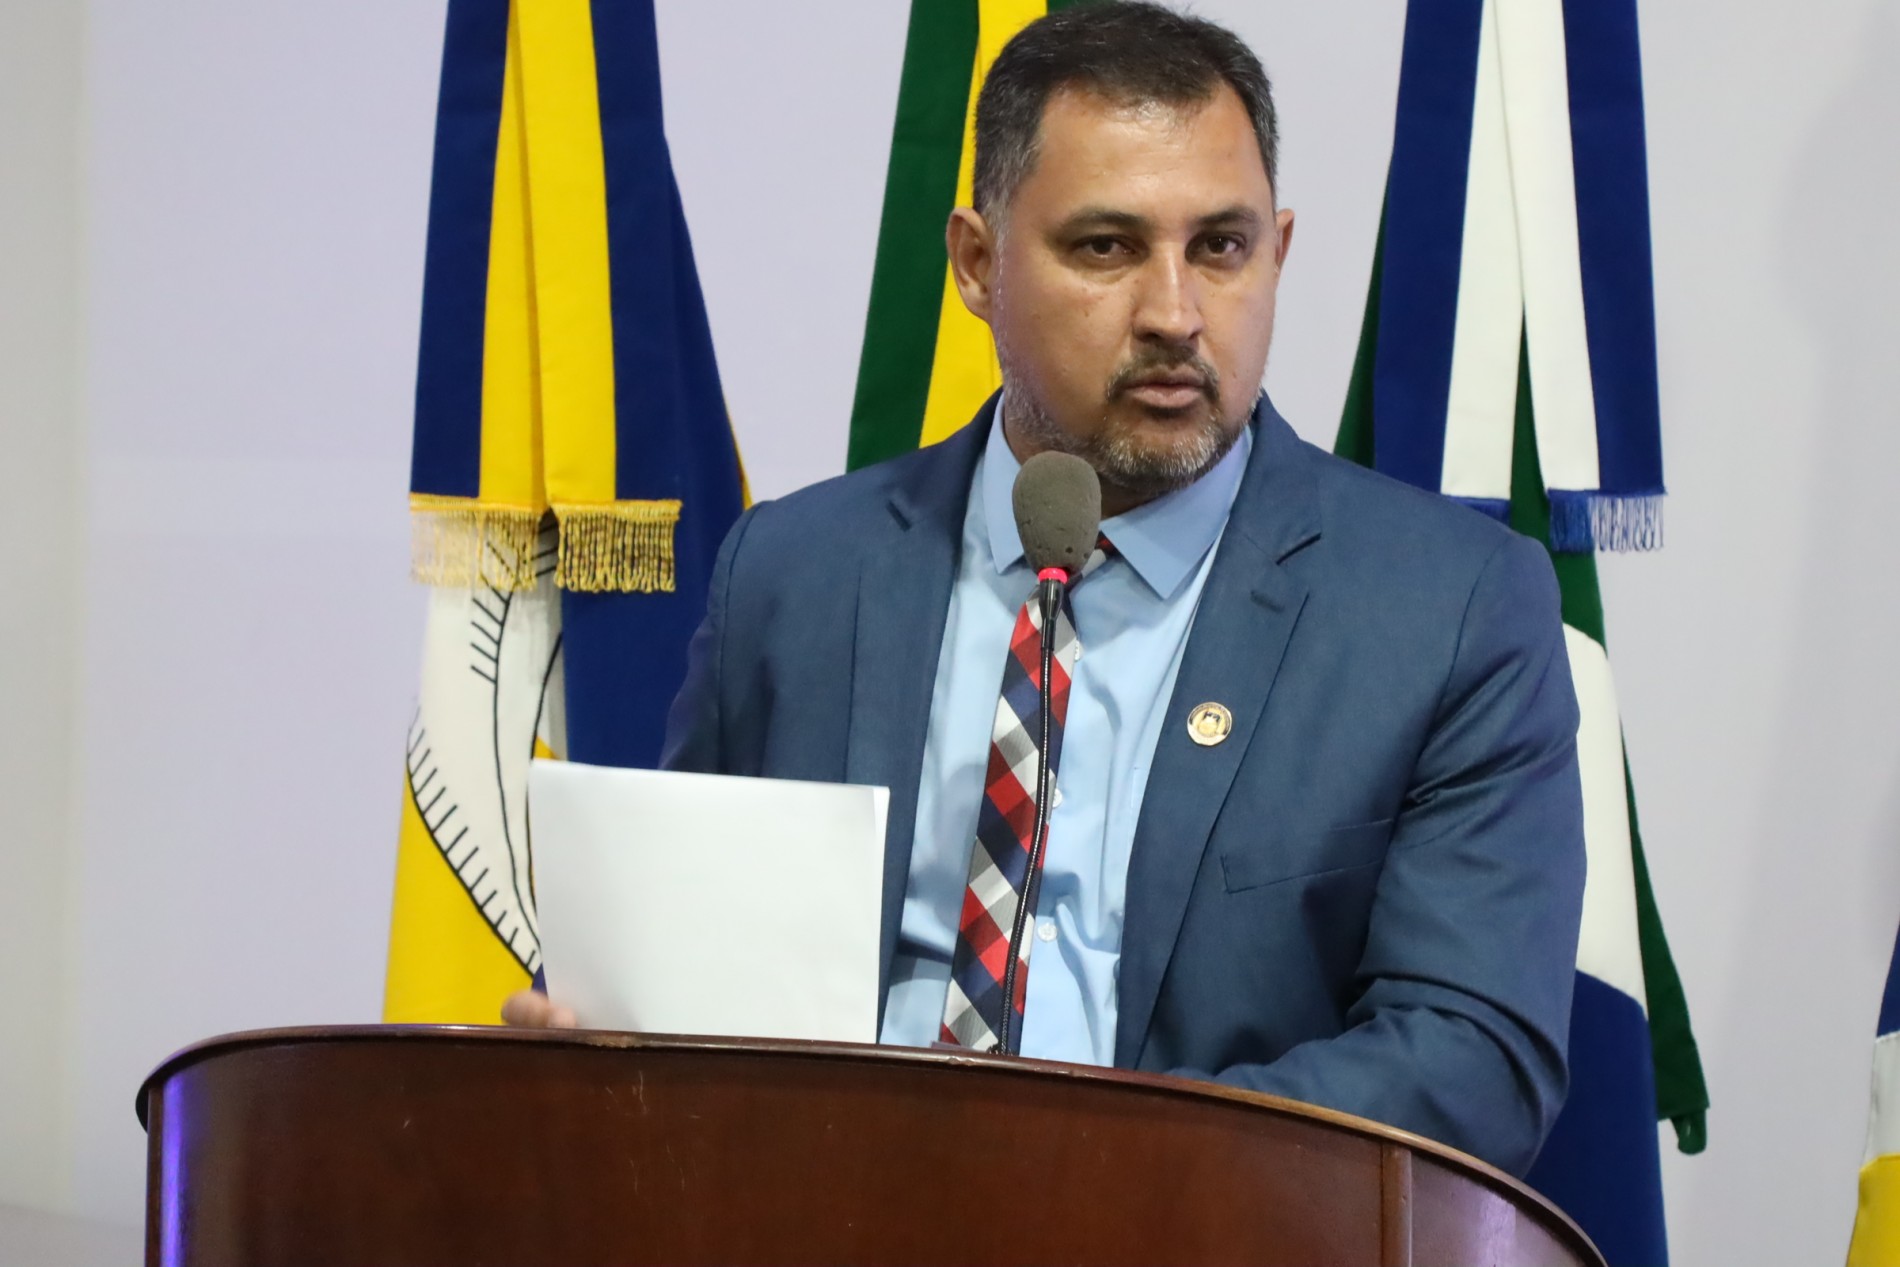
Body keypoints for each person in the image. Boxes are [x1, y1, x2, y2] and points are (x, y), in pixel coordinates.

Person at [505, 1, 1585, 1178]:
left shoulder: (1446, 609)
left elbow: (1468, 1058)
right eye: (1106, 247)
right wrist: (606, 1041)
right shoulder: (795, 572)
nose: (1174, 314)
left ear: (1278, 250)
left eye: (1220, 248)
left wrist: (1074, 1180)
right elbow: (690, 964)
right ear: (978, 264)